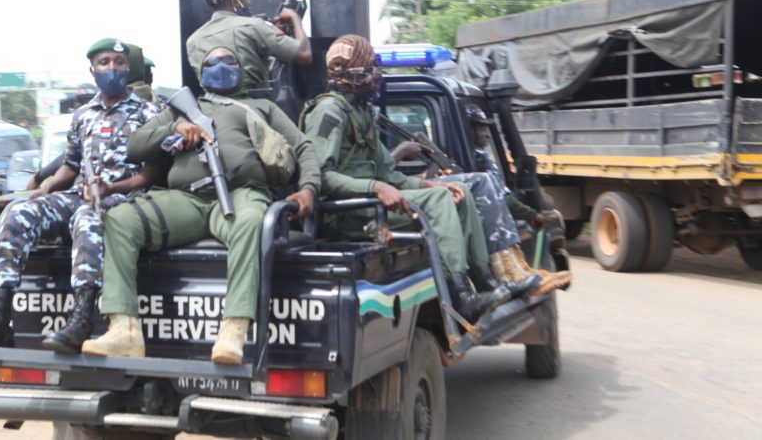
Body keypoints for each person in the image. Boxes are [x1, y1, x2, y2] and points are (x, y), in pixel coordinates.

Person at [82, 47, 321, 364]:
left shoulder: (262, 106)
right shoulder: (184, 107)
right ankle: (124, 329)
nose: (221, 67)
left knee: (252, 221)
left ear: (241, 69)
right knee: (121, 219)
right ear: (200, 71)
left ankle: (234, 331)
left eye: (229, 61)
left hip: (240, 193)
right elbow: (135, 145)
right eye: (212, 62)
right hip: (187, 199)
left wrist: (308, 190)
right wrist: (175, 128)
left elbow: (303, 147)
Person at [301, 35, 533, 323]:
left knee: (457, 192)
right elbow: (319, 177)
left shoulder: (360, 113)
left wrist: (428, 184)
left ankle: (486, 283)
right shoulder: (329, 111)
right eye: (369, 66)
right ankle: (461, 297)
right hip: (346, 213)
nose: (376, 74)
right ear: (352, 70)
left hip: (366, 203)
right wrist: (375, 187)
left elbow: (389, 174)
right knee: (439, 201)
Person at [0, 39, 161, 351]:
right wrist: (45, 189)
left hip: (125, 197)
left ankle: (81, 318)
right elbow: (71, 164)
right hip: (81, 192)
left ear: (128, 68)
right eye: (104, 62)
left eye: (119, 62)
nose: (112, 68)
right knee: (18, 212)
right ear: (92, 69)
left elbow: (153, 172)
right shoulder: (83, 115)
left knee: (87, 217)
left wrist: (111, 188)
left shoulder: (150, 112)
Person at [464, 106, 571, 291]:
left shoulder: (475, 155)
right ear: (468, 130)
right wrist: (531, 214)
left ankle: (520, 271)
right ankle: (511, 277)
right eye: (481, 129)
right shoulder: (476, 159)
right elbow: (501, 198)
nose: (487, 135)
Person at [186, 0, 311, 96]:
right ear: (234, 1)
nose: (249, 3)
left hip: (211, 108)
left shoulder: (192, 40)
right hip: (253, 107)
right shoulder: (254, 26)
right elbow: (304, 55)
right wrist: (295, 19)